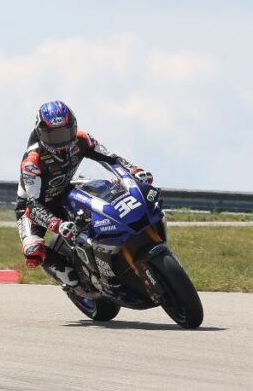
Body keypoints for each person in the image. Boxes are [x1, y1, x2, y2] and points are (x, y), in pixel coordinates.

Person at [16, 101, 153, 286]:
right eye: (53, 136)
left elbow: (111, 159)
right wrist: (57, 225)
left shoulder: (82, 139)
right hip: (35, 207)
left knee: (100, 213)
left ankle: (104, 256)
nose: (60, 142)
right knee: (33, 252)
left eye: (64, 133)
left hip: (66, 191)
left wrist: (134, 170)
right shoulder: (32, 162)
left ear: (74, 127)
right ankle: (74, 283)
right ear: (40, 134)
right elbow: (32, 206)